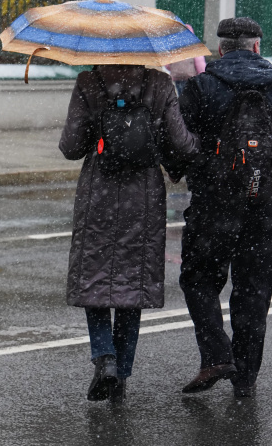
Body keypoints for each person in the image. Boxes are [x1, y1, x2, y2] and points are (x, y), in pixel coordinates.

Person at [60, 64, 198, 403]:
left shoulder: (88, 81)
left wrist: (100, 132)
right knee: (132, 281)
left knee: (94, 274)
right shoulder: (160, 83)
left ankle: (104, 355)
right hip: (144, 194)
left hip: (99, 191)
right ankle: (120, 377)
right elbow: (181, 143)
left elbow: (71, 146)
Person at [176, 17, 272, 398]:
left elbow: (179, 141)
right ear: (258, 47)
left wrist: (190, 172)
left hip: (214, 204)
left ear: (220, 48)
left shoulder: (201, 88)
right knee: (254, 291)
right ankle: (245, 378)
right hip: (267, 206)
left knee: (198, 278)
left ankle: (215, 355)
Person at [165, 24, 207, 96]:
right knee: (190, 95)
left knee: (180, 93)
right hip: (190, 77)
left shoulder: (173, 47)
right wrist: (202, 74)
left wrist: (175, 68)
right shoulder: (194, 47)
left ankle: (181, 101)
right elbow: (200, 63)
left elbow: (167, 65)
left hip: (177, 77)